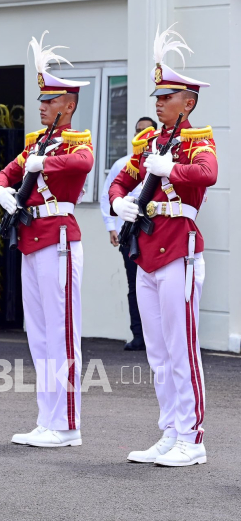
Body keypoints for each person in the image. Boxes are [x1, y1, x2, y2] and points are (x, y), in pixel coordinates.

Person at [109, 26, 215, 467]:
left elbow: (207, 174)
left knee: (181, 346)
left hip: (180, 250)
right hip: (148, 252)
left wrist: (170, 171)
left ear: (187, 103)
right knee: (157, 350)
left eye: (166, 96)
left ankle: (193, 437)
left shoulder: (196, 140)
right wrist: (118, 200)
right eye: (156, 96)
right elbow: (122, 179)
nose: (158, 102)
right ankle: (170, 429)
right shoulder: (151, 143)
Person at [0, 32, 93, 447]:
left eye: (50, 101)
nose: (42, 106)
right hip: (31, 239)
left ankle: (67, 425)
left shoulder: (75, 139)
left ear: (68, 106)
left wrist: (45, 162)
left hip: (60, 239)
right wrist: (1, 191)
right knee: (38, 335)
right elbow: (5, 174)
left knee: (61, 332)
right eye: (41, 100)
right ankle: (46, 418)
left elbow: (83, 162)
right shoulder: (35, 142)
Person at [101, 117, 155, 351]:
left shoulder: (160, 162)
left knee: (157, 284)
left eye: (146, 131)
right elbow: (109, 194)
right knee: (135, 285)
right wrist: (111, 226)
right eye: (138, 131)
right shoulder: (125, 163)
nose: (141, 134)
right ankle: (139, 335)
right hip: (130, 231)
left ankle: (157, 337)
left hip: (155, 229)